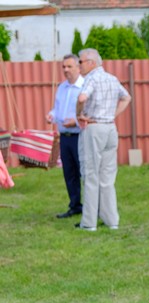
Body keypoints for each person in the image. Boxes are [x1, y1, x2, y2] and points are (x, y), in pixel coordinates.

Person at [75, 48, 131, 232]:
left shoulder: (91, 79)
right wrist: (113, 114)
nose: (79, 65)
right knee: (107, 177)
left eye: (81, 62)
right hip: (110, 128)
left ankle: (89, 223)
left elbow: (82, 97)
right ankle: (111, 220)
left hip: (94, 128)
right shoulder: (112, 78)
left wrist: (79, 114)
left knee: (90, 174)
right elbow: (126, 97)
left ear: (91, 63)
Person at [48, 53, 84, 219]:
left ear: (78, 67)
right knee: (69, 173)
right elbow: (57, 109)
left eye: (69, 66)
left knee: (84, 172)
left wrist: (75, 122)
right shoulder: (62, 87)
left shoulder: (84, 86)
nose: (66, 70)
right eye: (64, 67)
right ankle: (75, 205)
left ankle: (92, 207)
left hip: (80, 136)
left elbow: (89, 111)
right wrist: (51, 115)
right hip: (64, 137)